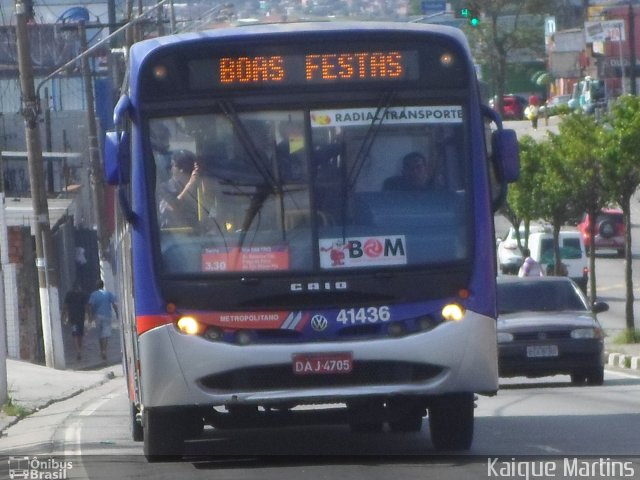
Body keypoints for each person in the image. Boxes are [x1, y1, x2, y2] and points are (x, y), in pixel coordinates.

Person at [157, 149, 201, 228]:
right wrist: (190, 184)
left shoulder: (200, 189)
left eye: (173, 165)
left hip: (199, 236)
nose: (171, 168)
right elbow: (173, 207)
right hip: (172, 235)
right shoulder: (164, 188)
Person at [87, 280, 119, 361]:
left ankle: (101, 350)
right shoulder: (108, 294)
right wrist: (117, 313)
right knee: (105, 334)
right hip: (107, 316)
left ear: (96, 286)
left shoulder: (93, 295)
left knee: (100, 335)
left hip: (97, 316)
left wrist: (90, 317)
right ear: (103, 285)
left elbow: (90, 306)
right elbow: (114, 304)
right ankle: (104, 351)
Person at [62, 283, 88, 361]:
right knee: (80, 334)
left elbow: (65, 306)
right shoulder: (82, 294)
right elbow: (86, 306)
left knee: (75, 334)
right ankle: (79, 349)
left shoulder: (69, 294)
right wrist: (88, 316)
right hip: (81, 317)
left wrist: (63, 315)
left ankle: (78, 350)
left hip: (72, 317)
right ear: (79, 287)